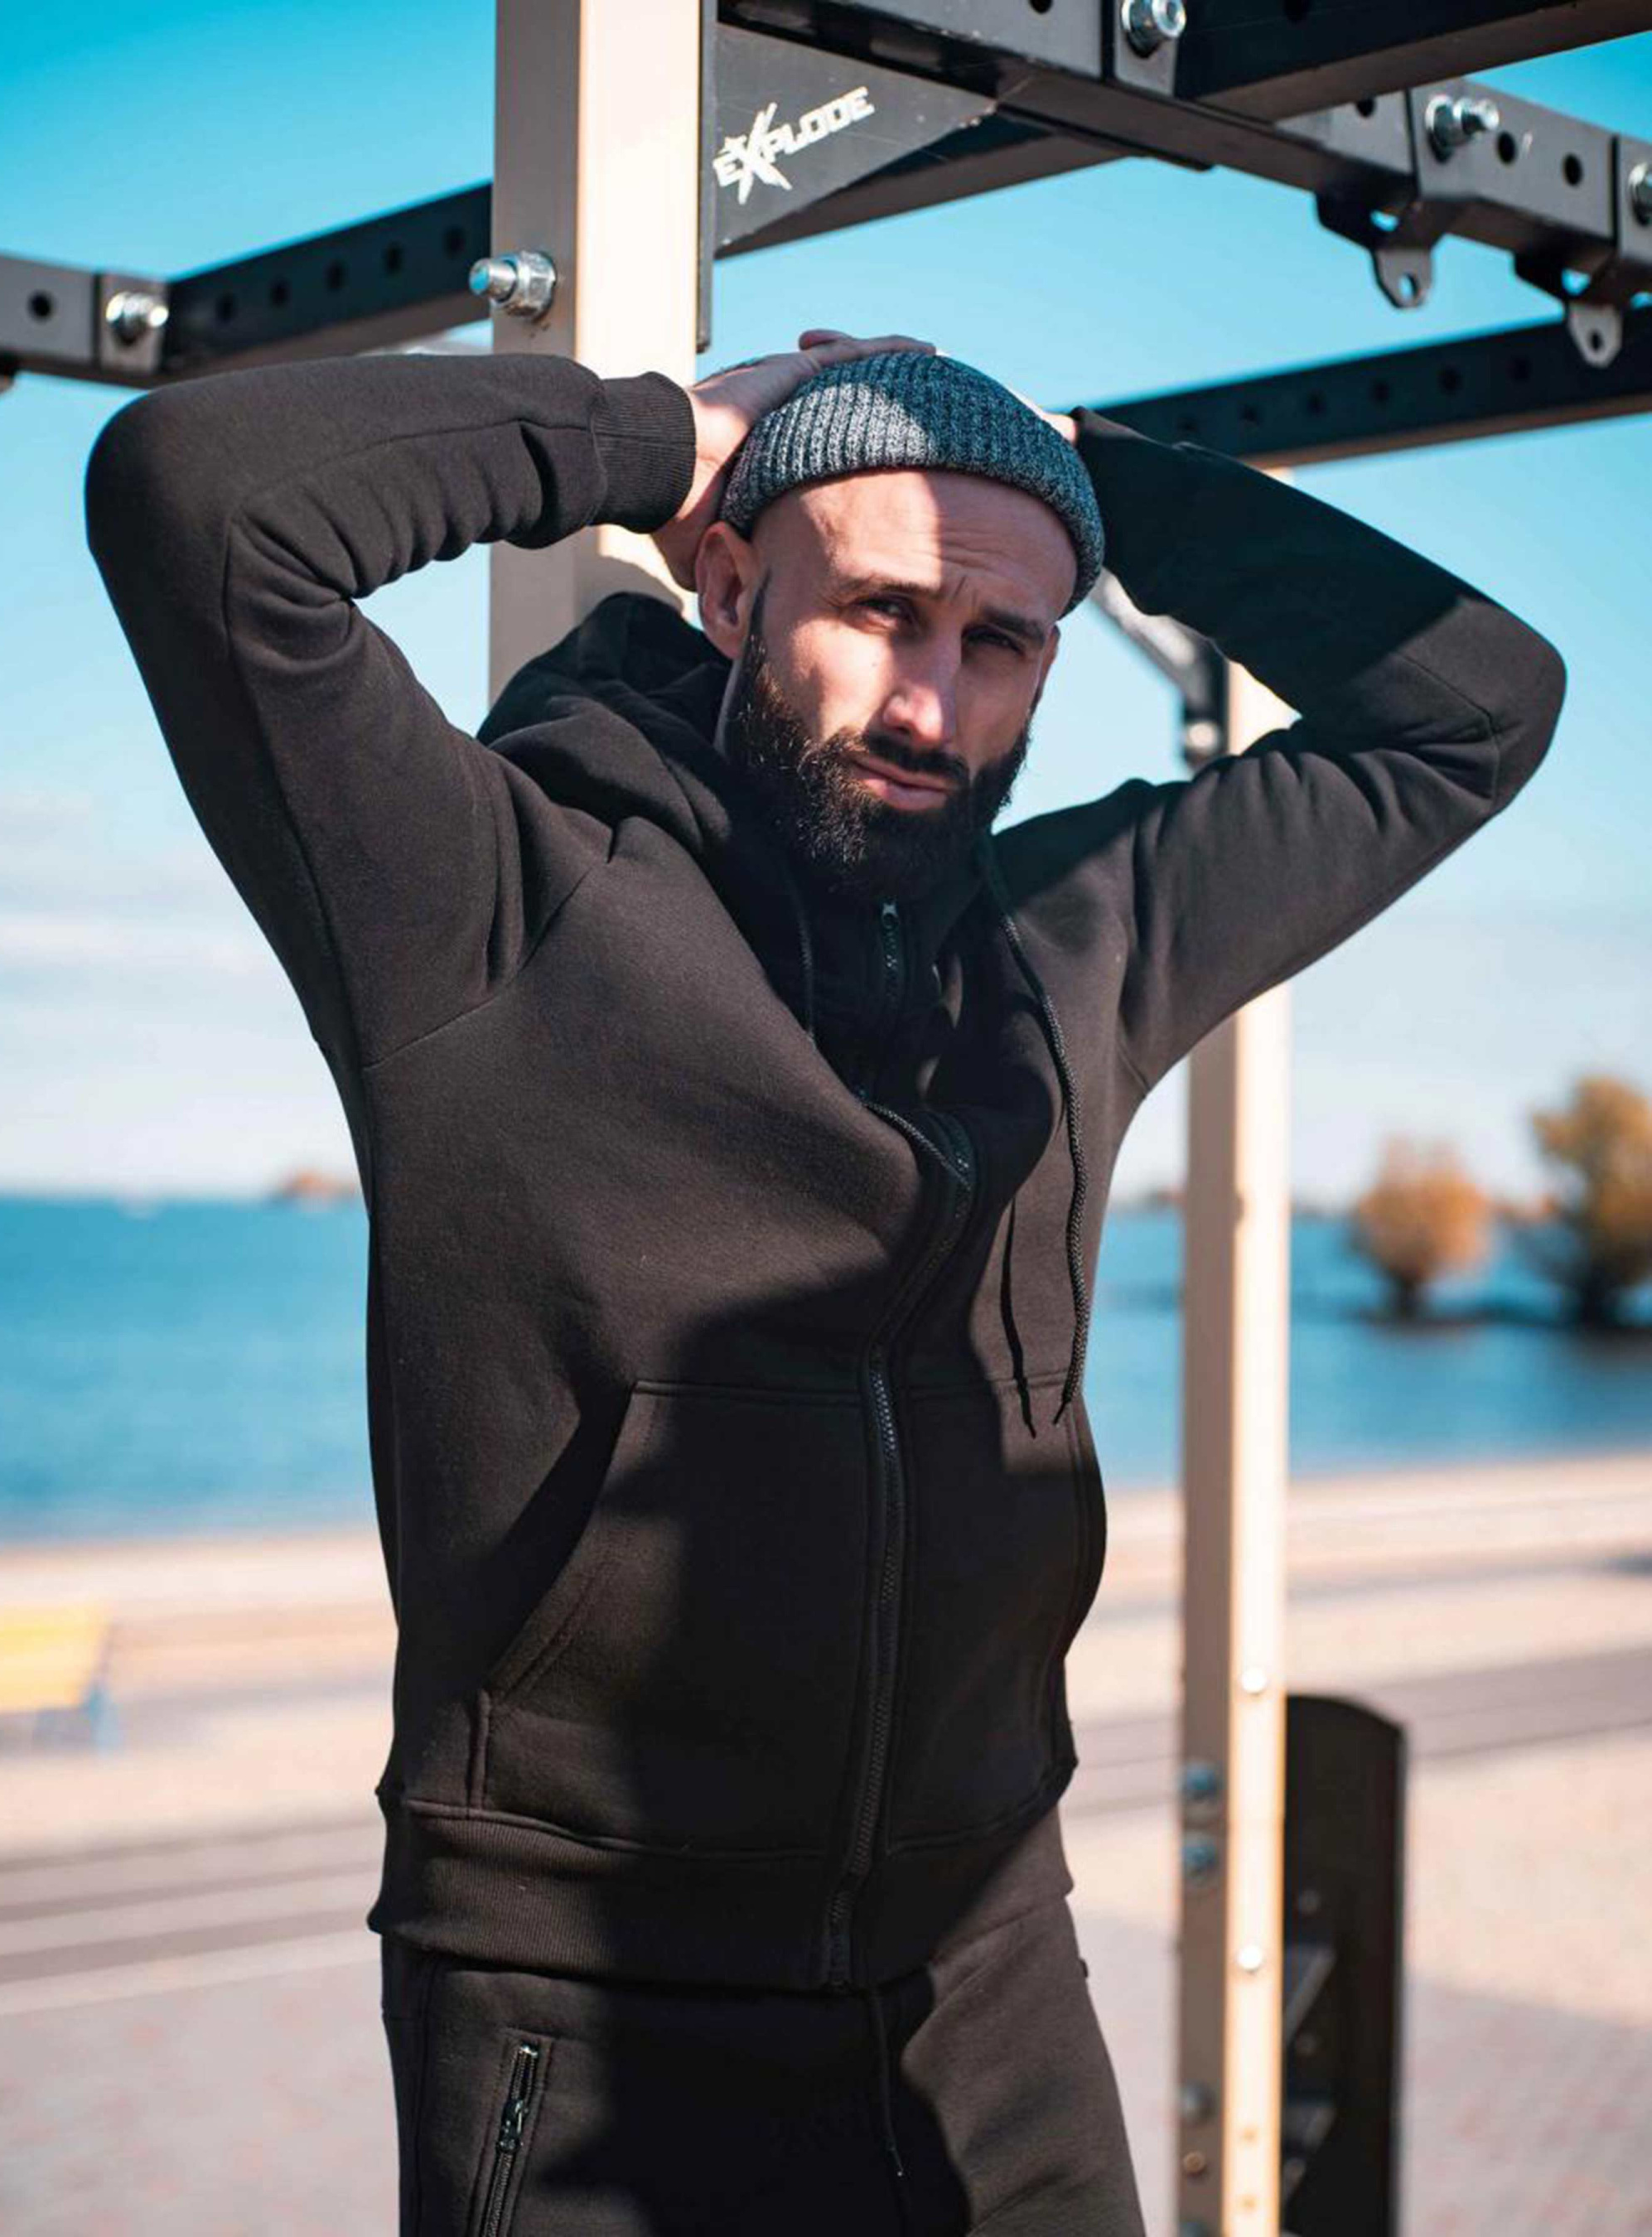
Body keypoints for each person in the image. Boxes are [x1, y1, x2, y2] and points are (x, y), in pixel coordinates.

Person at [84, 326, 1564, 2235]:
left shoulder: (1074, 944)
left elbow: (1474, 706)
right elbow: (198, 500)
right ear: (725, 586)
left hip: (988, 1985)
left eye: (1000, 641)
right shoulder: (486, 909)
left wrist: (1068, 472)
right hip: (587, 2009)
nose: (930, 707)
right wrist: (664, 436)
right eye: (879, 610)